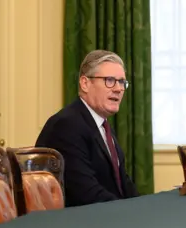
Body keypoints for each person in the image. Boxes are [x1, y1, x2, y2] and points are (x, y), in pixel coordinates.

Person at [36, 50, 139, 207]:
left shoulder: (103, 125)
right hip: (80, 225)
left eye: (121, 82)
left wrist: (144, 207)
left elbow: (123, 184)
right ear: (85, 83)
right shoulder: (66, 126)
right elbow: (86, 193)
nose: (118, 89)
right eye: (110, 80)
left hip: (108, 217)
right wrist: (129, 212)